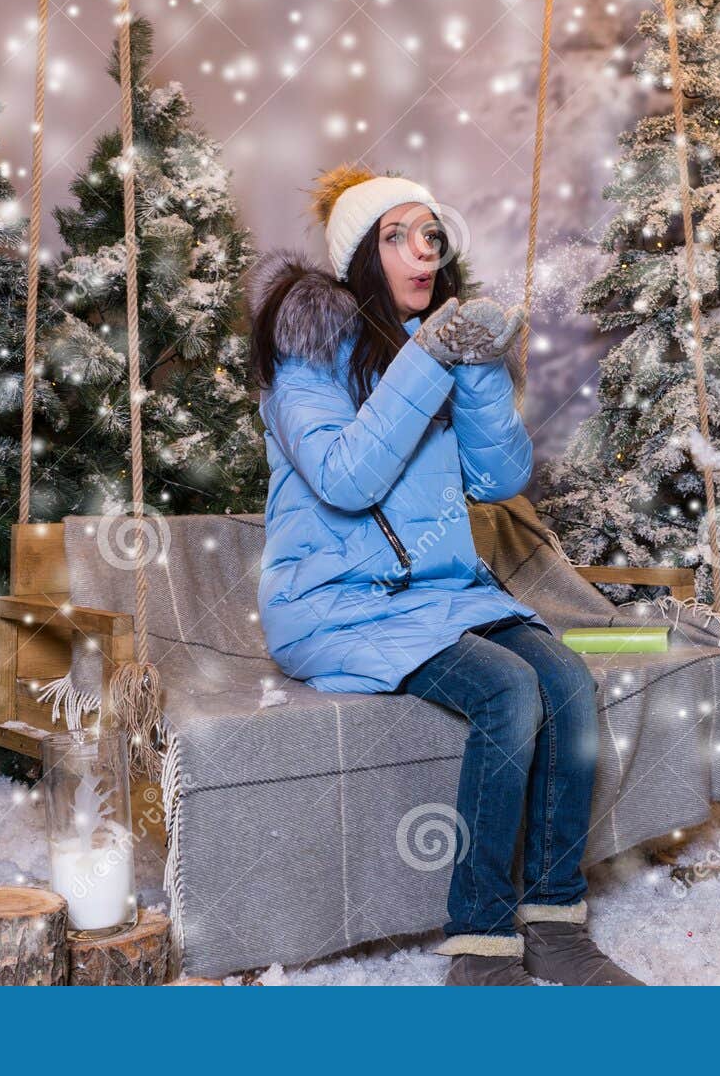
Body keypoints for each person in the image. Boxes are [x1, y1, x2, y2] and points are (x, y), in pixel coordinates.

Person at [246, 164, 642, 987]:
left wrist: (482, 367)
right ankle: (483, 943)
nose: (421, 252)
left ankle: (557, 920)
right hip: (334, 606)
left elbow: (498, 481)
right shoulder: (304, 358)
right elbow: (346, 479)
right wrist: (430, 356)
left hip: (437, 596)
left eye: (430, 235)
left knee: (566, 681)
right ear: (360, 255)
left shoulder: (434, 347)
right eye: (396, 237)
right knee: (507, 689)